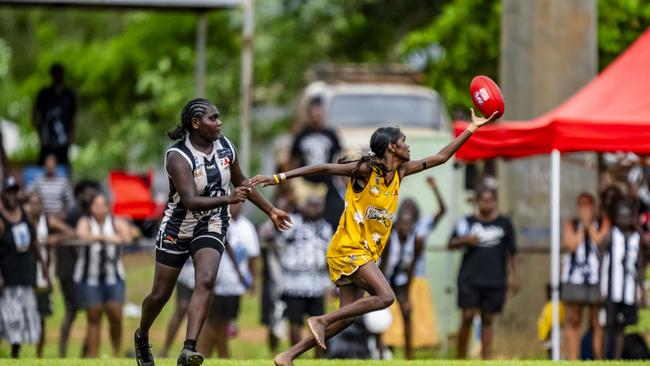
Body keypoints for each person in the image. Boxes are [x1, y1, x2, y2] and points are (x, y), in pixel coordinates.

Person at [251, 108, 498, 366]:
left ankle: (288, 355)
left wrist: (472, 128)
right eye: (403, 141)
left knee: (346, 317)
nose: (407, 146)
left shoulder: (400, 173)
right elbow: (324, 167)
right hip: (348, 248)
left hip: (365, 252)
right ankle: (321, 320)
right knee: (385, 297)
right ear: (391, 147)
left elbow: (441, 157)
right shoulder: (366, 171)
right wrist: (279, 177)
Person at [134, 98, 291, 366]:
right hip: (178, 226)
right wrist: (228, 199)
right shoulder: (177, 157)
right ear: (196, 123)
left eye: (218, 118)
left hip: (213, 223)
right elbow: (190, 201)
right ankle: (142, 334)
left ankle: (188, 349)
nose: (219, 123)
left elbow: (242, 182)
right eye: (213, 118)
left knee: (206, 279)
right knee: (160, 294)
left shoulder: (226, 147)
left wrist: (271, 210)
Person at [447, 187, 520, 360]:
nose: (486, 203)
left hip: (495, 279)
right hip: (469, 278)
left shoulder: (504, 223)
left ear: (495, 202)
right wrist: (466, 240)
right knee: (467, 316)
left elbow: (513, 252)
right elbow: (450, 244)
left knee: (488, 319)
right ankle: (460, 358)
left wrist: (515, 276)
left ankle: (486, 359)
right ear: (477, 202)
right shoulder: (467, 222)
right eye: (483, 200)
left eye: (490, 200)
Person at [263, 196, 332, 352]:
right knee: (295, 321)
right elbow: (274, 236)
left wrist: (332, 282)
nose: (314, 208)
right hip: (294, 283)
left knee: (320, 321)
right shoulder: (292, 222)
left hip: (317, 284)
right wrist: (284, 206)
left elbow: (329, 255)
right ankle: (295, 354)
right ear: (304, 205)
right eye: (310, 204)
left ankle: (318, 358)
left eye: (317, 205)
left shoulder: (326, 228)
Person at [74, 192, 134, 357]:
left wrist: (121, 237)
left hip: (113, 277)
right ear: (91, 208)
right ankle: (93, 357)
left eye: (103, 205)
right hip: (89, 278)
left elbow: (128, 236)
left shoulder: (116, 222)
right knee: (93, 317)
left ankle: (116, 354)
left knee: (116, 315)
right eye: (96, 205)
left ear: (108, 207)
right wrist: (105, 237)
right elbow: (81, 234)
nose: (100, 209)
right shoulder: (85, 222)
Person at [197, 202, 260, 358]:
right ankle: (211, 354)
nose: (236, 207)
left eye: (239, 204)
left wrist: (252, 280)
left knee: (225, 323)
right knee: (211, 322)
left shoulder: (248, 227)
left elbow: (253, 257)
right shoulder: (219, 222)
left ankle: (218, 355)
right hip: (217, 284)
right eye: (233, 204)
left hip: (235, 286)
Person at [0, 177, 49, 358]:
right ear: (2, 195)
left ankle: (15, 354)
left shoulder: (24, 213)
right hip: (8, 276)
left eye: (15, 192)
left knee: (21, 317)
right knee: (8, 317)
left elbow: (34, 240)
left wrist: (42, 265)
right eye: (8, 193)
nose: (12, 197)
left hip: (26, 273)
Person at [25, 192, 75, 358]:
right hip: (21, 274)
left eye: (38, 203)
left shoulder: (47, 221)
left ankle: (38, 356)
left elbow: (71, 232)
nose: (35, 207)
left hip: (42, 276)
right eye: (32, 203)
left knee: (41, 317)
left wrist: (56, 237)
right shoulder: (20, 220)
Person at [561, 192, 610, 360]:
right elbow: (571, 245)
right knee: (573, 319)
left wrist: (589, 226)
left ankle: (599, 359)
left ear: (594, 206)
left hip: (597, 278)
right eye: (582, 205)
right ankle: (572, 359)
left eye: (588, 205)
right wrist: (582, 227)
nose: (585, 209)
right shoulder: (572, 224)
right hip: (574, 278)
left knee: (597, 321)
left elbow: (601, 242)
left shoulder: (603, 222)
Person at [599, 202, 648, 359]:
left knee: (622, 327)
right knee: (609, 326)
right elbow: (600, 259)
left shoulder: (635, 238)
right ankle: (604, 357)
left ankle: (617, 357)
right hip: (612, 289)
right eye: (621, 216)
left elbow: (639, 264)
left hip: (628, 290)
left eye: (628, 217)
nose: (624, 220)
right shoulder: (611, 236)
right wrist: (601, 287)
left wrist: (640, 289)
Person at [59, 180, 100, 357]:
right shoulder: (75, 211)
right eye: (87, 192)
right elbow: (56, 225)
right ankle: (62, 354)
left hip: (82, 269)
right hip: (69, 269)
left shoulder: (86, 212)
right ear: (79, 194)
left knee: (90, 311)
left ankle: (84, 354)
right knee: (72, 310)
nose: (91, 195)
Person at [290, 96, 344, 229]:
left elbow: (340, 157)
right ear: (308, 115)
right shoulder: (301, 135)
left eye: (319, 114)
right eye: (313, 114)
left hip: (326, 182)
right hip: (304, 183)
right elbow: (292, 159)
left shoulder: (331, 134)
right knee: (296, 210)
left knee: (337, 208)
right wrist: (290, 182)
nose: (316, 117)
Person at [33, 63, 76, 166]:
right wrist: (40, 135)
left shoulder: (68, 95)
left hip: (63, 141)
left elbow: (73, 118)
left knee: (63, 168)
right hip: (47, 141)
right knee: (44, 167)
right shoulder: (44, 94)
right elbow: (35, 115)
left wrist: (71, 138)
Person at [159, 259, 194, 358]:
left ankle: (195, 349)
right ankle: (165, 349)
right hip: (186, 272)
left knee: (201, 311)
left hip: (204, 272)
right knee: (181, 308)